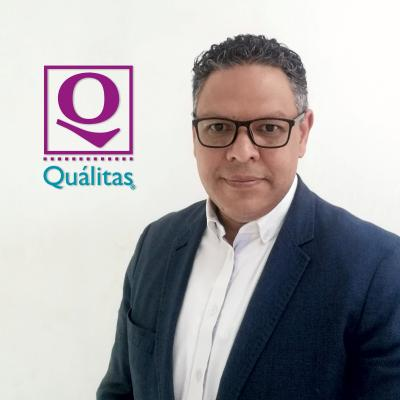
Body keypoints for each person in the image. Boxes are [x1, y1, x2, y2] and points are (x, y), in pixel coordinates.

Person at [97, 34, 400, 400]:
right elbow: (120, 390)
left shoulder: (378, 268)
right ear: (195, 135)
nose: (242, 152)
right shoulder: (156, 243)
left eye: (269, 128)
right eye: (218, 127)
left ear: (303, 133)